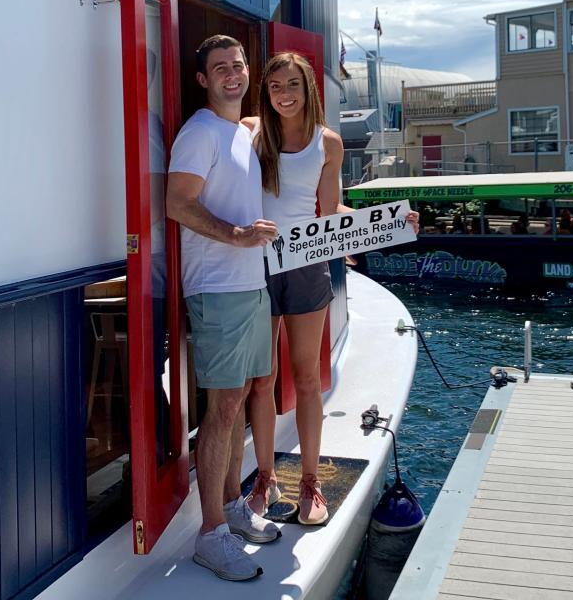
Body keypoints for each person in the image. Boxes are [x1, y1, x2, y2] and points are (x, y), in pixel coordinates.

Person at [243, 51, 416, 526]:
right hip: (254, 264)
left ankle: (312, 482)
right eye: (275, 85)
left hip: (307, 264)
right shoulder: (251, 131)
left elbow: (330, 208)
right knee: (261, 378)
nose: (284, 94)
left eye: (292, 85)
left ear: (309, 89)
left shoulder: (329, 143)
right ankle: (264, 476)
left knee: (305, 379)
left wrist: (390, 223)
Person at [165, 35, 280, 582]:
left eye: (238, 65)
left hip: (249, 283)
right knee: (223, 407)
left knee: (236, 401)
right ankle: (211, 533)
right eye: (220, 68)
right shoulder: (198, 132)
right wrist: (235, 235)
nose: (233, 73)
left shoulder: (240, 130)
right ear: (202, 80)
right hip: (217, 286)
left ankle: (233, 506)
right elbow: (176, 203)